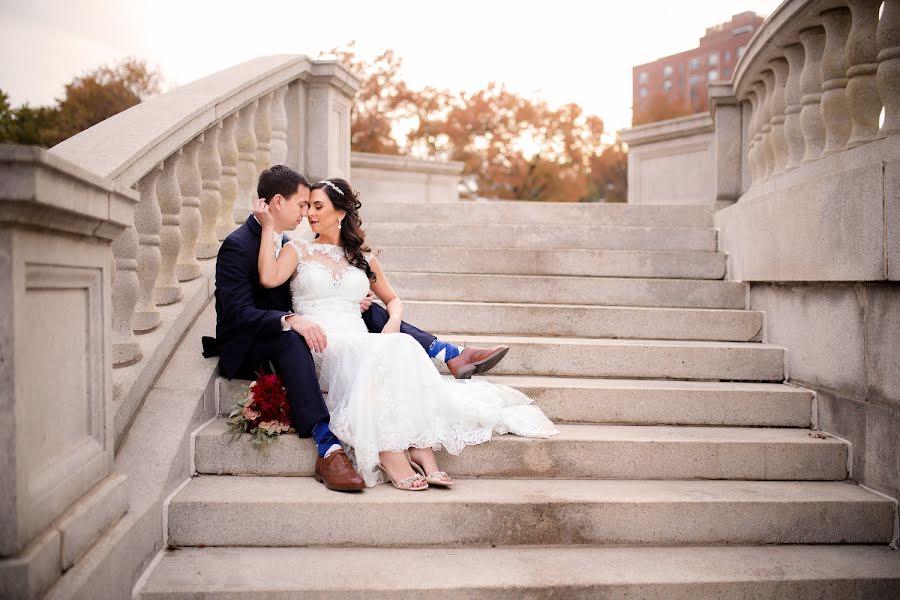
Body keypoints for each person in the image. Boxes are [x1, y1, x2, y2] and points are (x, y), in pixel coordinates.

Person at [209, 165, 511, 492]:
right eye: (302, 205)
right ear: (278, 202)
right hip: (255, 340)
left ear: (339, 213)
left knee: (365, 310)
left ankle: (445, 361)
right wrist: (292, 317)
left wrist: (344, 297)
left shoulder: (297, 242)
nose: (306, 213)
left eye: (313, 206)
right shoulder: (242, 244)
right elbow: (242, 310)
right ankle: (327, 446)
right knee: (297, 335)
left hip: (314, 322)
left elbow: (371, 296)